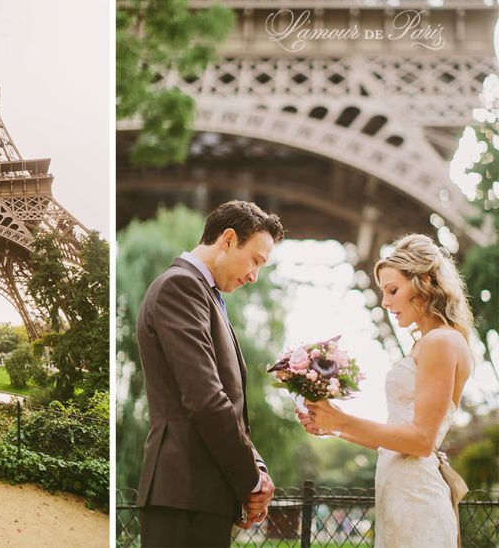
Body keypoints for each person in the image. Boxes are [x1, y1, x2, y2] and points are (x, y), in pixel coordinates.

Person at [299, 233, 473, 548]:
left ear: (424, 282)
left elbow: (421, 441)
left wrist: (340, 421)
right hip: (403, 496)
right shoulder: (431, 342)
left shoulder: (440, 342)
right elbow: (395, 439)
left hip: (417, 500)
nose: (385, 302)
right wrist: (333, 427)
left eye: (393, 290)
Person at [136, 200, 284, 547]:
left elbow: (228, 404)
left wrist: (257, 470)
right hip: (184, 496)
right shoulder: (181, 287)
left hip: (198, 496)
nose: (254, 276)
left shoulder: (206, 296)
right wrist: (251, 481)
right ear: (229, 239)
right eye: (255, 261)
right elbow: (205, 398)